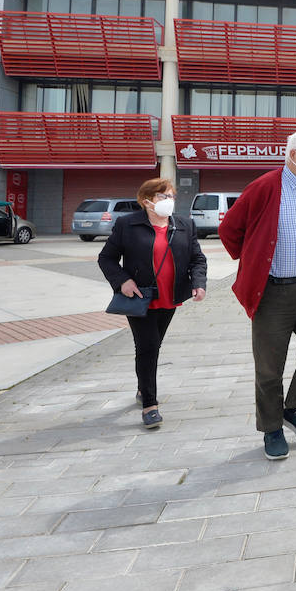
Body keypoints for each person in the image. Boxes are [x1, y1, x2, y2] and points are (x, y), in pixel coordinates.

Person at [219, 129, 296, 461]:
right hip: (273, 292)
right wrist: (255, 259)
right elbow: (229, 231)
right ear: (294, 156)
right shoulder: (266, 186)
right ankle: (271, 428)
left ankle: (294, 408)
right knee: (269, 367)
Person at [97, 178, 207, 429]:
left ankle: (141, 387)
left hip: (170, 297)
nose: (169, 201)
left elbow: (197, 258)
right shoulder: (128, 224)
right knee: (147, 347)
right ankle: (150, 404)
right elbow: (107, 259)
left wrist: (199, 282)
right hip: (140, 298)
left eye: (171, 196)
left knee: (153, 346)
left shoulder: (184, 225)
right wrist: (122, 281)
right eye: (163, 196)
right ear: (146, 201)